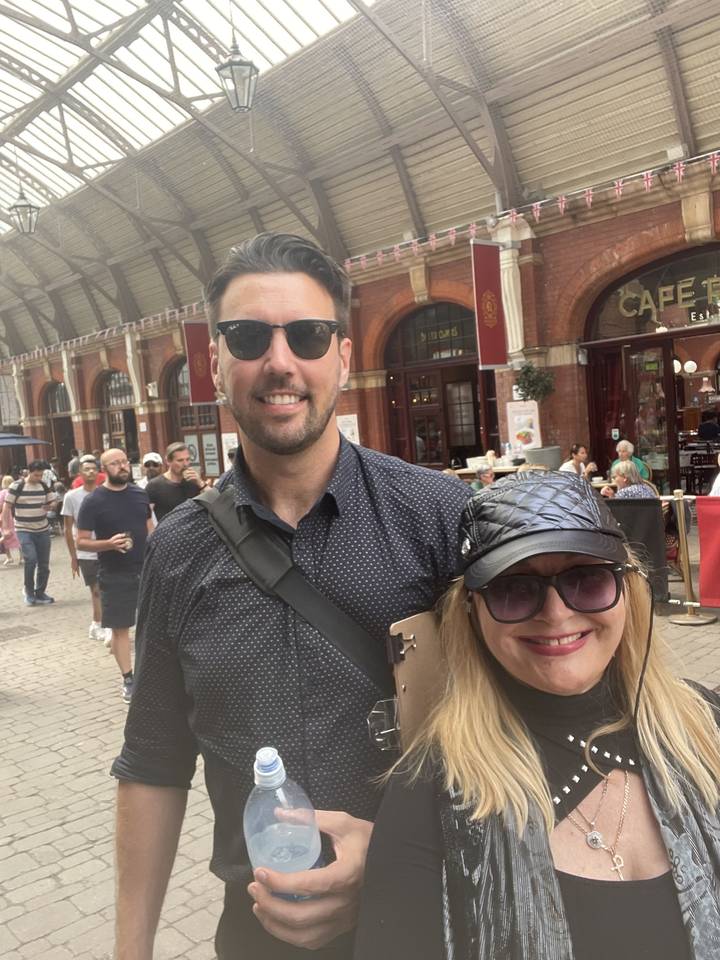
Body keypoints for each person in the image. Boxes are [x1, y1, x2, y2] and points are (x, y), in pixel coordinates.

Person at [111, 232, 471, 960]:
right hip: (256, 936)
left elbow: (511, 725)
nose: (280, 363)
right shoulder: (179, 549)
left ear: (342, 354)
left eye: (307, 335)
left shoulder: (435, 517)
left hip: (427, 919)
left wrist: (399, 850)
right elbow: (153, 760)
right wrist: (131, 951)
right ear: (215, 362)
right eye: (248, 337)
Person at [355, 470, 720, 960]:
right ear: (472, 613)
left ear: (628, 591)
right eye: (514, 590)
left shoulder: (706, 726)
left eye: (587, 580)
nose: (556, 614)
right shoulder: (429, 793)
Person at [76, 449, 152, 703]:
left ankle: (152, 676)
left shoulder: (140, 494)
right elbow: (82, 542)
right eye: (115, 463)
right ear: (104, 469)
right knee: (120, 628)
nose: (122, 467)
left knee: (151, 626)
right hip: (115, 573)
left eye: (124, 462)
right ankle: (128, 679)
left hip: (146, 569)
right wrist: (108, 544)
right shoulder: (94, 500)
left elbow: (150, 529)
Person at [61, 454, 111, 644]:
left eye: (94, 469)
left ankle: (105, 624)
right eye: (86, 469)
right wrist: (73, 556)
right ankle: (98, 625)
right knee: (96, 590)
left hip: (106, 547)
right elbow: (67, 528)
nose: (90, 472)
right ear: (79, 473)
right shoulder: (71, 496)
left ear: (99, 471)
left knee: (108, 587)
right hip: (85, 551)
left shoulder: (104, 493)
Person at [1, 460, 57, 605]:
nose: (38, 478)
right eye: (36, 475)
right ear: (29, 472)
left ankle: (40, 592)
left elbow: (53, 502)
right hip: (24, 529)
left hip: (43, 529)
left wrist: (50, 506)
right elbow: (6, 508)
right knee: (31, 559)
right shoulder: (17, 486)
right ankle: (29, 592)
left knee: (44, 564)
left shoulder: (44, 485)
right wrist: (6, 528)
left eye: (41, 475)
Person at [145, 442, 209, 522]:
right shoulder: (154, 485)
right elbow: (147, 517)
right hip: (168, 531)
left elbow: (215, 502)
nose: (185, 464)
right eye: (180, 460)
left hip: (193, 530)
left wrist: (200, 483)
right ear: (168, 461)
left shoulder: (193, 482)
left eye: (188, 459)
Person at [0, 474, 22, 564]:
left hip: (5, 517)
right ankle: (22, 557)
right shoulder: (16, 491)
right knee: (18, 536)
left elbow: (1, 506)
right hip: (16, 515)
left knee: (5, 535)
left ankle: (9, 557)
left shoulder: (2, 493)